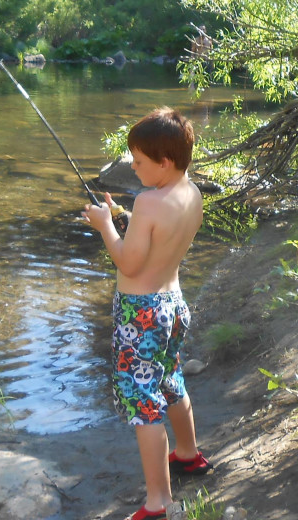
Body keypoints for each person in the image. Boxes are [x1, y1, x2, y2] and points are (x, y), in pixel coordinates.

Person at [82, 107, 213, 520]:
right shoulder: (191, 194)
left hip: (141, 314)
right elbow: (158, 242)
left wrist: (106, 227)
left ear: (164, 162)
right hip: (173, 306)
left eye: (138, 162)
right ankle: (189, 454)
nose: (133, 168)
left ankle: (158, 503)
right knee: (170, 379)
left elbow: (130, 264)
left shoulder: (149, 202)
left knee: (144, 402)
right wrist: (125, 219)